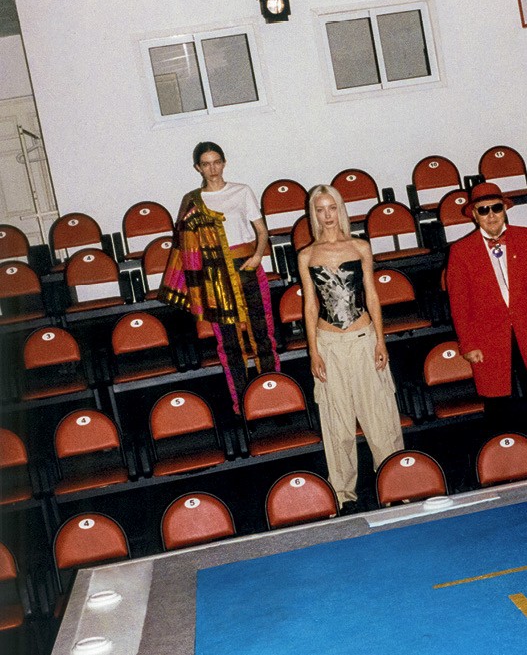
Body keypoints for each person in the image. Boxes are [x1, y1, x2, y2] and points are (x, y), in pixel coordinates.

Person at [298, 184, 403, 513]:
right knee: (337, 423)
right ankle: (343, 495)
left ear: (340, 209)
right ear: (313, 214)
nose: (327, 215)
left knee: (380, 417)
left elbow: (371, 294)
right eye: (320, 210)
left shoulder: (360, 247)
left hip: (363, 339)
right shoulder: (306, 255)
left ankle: (397, 484)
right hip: (329, 344)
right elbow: (310, 306)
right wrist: (314, 351)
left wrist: (380, 340)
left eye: (332, 208)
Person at [159, 141, 279, 413]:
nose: (213, 169)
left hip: (247, 266)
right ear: (198, 168)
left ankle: (274, 396)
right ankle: (243, 405)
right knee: (229, 343)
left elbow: (262, 231)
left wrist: (258, 256)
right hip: (215, 276)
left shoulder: (242, 191)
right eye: (206, 164)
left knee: (263, 334)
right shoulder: (192, 201)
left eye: (216, 162)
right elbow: (185, 244)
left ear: (224, 163)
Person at [446, 182, 527, 436]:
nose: (491, 215)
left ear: (505, 209)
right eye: (483, 210)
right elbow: (459, 305)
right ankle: (505, 452)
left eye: (496, 208)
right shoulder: (460, 251)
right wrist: (468, 344)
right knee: (497, 403)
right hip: (488, 338)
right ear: (475, 215)